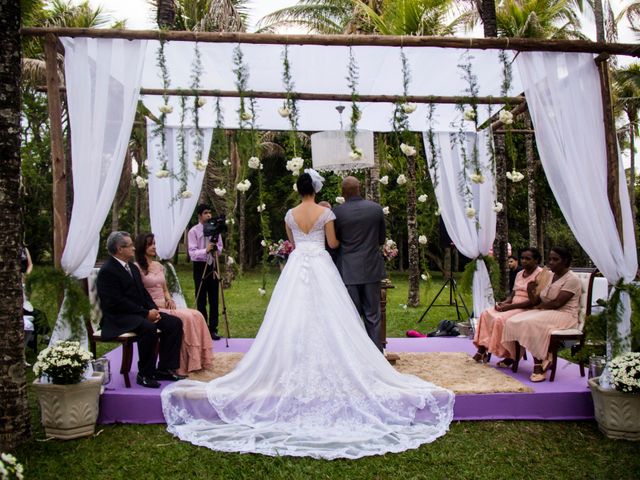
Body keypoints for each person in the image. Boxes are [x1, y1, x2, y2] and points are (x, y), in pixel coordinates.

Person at [161, 170, 454, 460]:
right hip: (321, 264)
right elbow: (333, 244)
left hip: (297, 264)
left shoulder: (289, 214)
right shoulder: (326, 214)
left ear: (299, 189)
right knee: (334, 315)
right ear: (315, 189)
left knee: (291, 315)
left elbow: (292, 242)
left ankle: (291, 360)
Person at [96, 231, 185, 388]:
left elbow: (143, 293)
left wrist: (153, 310)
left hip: (138, 313)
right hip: (119, 317)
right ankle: (144, 373)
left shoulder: (131, 267)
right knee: (148, 328)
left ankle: (164, 368)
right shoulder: (108, 271)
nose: (134, 249)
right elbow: (116, 303)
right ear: (119, 249)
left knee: (174, 323)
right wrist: (145, 314)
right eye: (130, 245)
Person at [134, 233, 214, 376]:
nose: (154, 247)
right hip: (153, 306)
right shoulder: (137, 268)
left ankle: (198, 360)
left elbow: (164, 289)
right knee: (186, 318)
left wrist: (169, 299)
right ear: (142, 247)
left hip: (166, 304)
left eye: (154, 244)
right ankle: (180, 365)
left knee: (196, 314)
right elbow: (139, 293)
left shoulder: (158, 265)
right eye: (150, 244)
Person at [502, 246, 582, 382]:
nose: (551, 262)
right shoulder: (550, 276)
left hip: (565, 315)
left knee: (531, 323)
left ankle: (539, 364)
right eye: (550, 259)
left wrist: (538, 308)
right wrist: (530, 290)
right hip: (547, 311)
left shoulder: (572, 279)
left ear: (565, 261)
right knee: (513, 320)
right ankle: (514, 356)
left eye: (555, 259)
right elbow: (536, 300)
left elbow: (557, 303)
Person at [332, 176, 387, 352]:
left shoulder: (337, 213)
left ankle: (355, 354)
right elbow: (381, 239)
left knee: (351, 316)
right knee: (373, 315)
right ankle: (376, 354)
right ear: (359, 189)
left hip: (348, 270)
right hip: (371, 268)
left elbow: (334, 243)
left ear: (343, 192)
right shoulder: (376, 209)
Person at [472, 247, 544, 368]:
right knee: (486, 313)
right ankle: (482, 348)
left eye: (528, 259)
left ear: (536, 260)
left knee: (500, 320)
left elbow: (534, 301)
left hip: (527, 307)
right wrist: (504, 303)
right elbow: (513, 294)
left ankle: (510, 355)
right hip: (513, 304)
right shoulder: (520, 273)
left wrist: (509, 307)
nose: (524, 261)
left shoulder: (541, 274)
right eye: (522, 258)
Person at [188, 204, 223, 340]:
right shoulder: (193, 231)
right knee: (201, 299)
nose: (209, 215)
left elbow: (220, 248)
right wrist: (206, 250)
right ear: (200, 215)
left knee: (214, 299)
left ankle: (213, 329)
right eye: (205, 213)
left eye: (210, 212)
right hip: (200, 266)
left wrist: (216, 249)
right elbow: (192, 253)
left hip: (212, 265)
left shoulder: (216, 229)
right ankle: (202, 329)